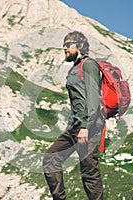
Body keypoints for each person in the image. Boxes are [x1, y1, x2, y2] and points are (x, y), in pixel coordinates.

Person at [43, 31, 105, 200]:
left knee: (89, 174)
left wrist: (86, 126)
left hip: (87, 128)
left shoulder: (89, 64)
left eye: (68, 44)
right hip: (74, 127)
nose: (64, 48)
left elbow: (93, 97)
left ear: (80, 46)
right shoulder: (75, 68)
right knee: (50, 159)